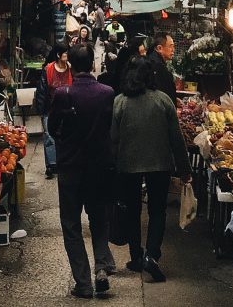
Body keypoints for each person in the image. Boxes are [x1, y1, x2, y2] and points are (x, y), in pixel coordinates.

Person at [110, 57, 190, 283]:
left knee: (133, 210)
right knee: (157, 211)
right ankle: (152, 256)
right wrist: (184, 169)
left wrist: (113, 167)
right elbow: (177, 139)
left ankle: (136, 256)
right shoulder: (163, 101)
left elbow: (113, 140)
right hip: (160, 164)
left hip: (127, 165)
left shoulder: (120, 102)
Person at [47, 45, 116, 299]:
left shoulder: (63, 94)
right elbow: (110, 127)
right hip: (99, 168)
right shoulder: (107, 93)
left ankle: (83, 283)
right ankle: (101, 267)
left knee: (71, 225)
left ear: (72, 68)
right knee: (99, 220)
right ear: (93, 66)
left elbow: (53, 127)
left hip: (71, 169)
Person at [40, 44, 74, 177]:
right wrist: (42, 111)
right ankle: (51, 165)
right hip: (50, 108)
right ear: (58, 55)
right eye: (64, 53)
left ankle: (64, 162)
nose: (67, 55)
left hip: (67, 108)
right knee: (49, 136)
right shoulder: (48, 69)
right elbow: (42, 92)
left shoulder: (72, 69)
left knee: (65, 136)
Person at [147, 33, 177, 98]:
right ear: (159, 48)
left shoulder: (153, 60)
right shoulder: (157, 66)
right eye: (171, 46)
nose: (173, 50)